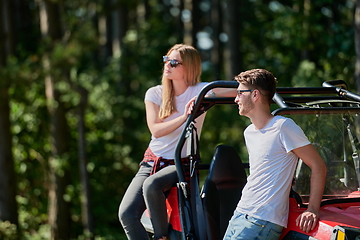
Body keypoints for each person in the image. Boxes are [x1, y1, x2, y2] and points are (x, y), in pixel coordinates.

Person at [119, 44, 218, 240]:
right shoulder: (155, 93)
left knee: (152, 185)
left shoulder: (200, 91)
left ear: (188, 67)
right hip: (152, 160)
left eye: (174, 62)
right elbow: (155, 129)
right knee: (127, 214)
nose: (167, 65)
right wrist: (187, 116)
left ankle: (161, 237)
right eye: (166, 59)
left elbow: (235, 92)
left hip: (180, 164)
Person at [223, 69, 327, 240]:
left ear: (255, 95)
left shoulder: (283, 126)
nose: (236, 99)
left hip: (262, 220)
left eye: (240, 93)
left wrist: (312, 209)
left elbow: (318, 165)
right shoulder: (249, 132)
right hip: (241, 213)